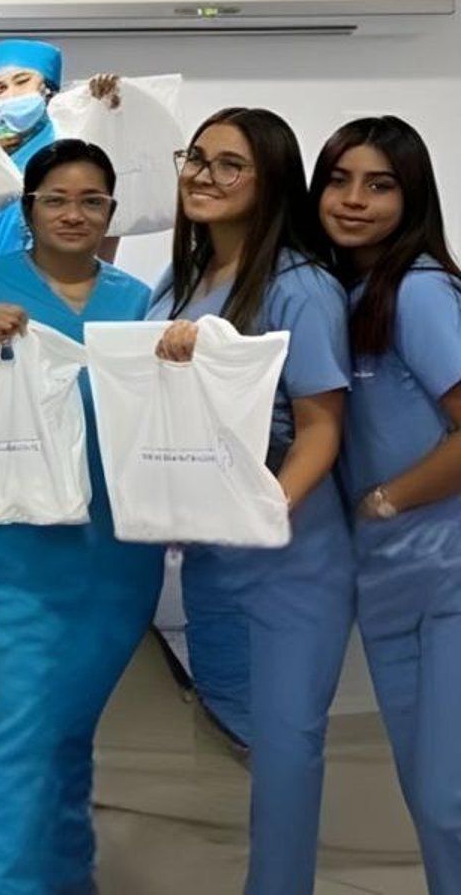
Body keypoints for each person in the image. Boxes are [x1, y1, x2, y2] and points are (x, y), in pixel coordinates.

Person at [0, 138, 162, 895]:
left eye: (92, 201)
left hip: (116, 547)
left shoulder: (136, 300)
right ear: (28, 211)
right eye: (57, 199)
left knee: (74, 728)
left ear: (113, 212)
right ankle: (12, 881)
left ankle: (67, 877)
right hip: (14, 549)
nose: (74, 214)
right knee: (21, 724)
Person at [151, 109, 355, 895]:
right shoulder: (183, 279)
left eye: (230, 165)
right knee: (238, 719)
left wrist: (260, 512)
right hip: (210, 553)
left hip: (289, 549)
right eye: (196, 158)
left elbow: (320, 431)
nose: (204, 175)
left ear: (270, 183)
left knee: (286, 751)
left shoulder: (301, 286)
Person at [312, 117, 461, 885]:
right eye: (339, 179)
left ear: (413, 197)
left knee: (448, 802)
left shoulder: (422, 291)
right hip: (387, 587)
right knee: (428, 801)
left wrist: (383, 500)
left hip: (449, 579)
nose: (355, 199)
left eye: (380, 184)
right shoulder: (341, 293)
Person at [0, 40, 119, 262]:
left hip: (56, 274)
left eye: (22, 81)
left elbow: (106, 214)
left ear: (48, 87)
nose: (11, 95)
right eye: (0, 88)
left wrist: (106, 111)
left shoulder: (68, 139)